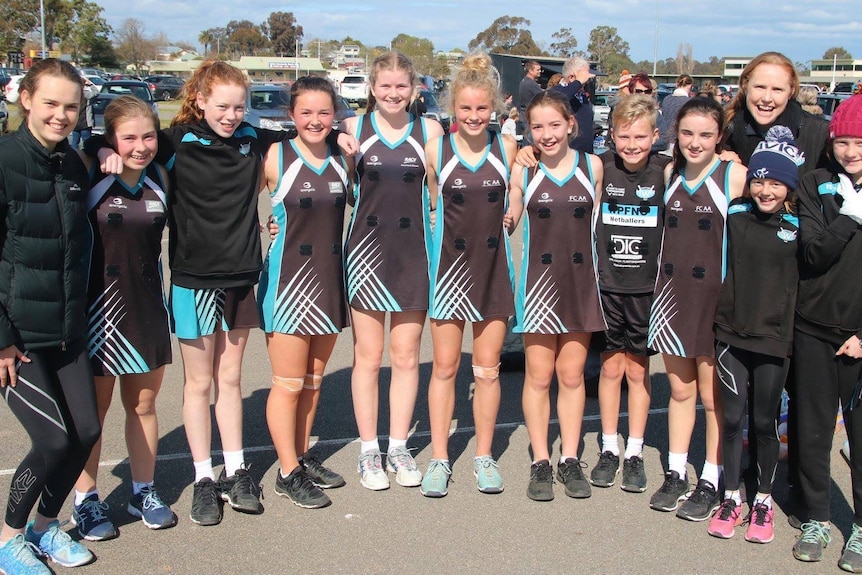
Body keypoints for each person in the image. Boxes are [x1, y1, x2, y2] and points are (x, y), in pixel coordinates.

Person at [86, 60, 356, 527]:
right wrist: (100, 147)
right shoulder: (174, 142)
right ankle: (204, 477)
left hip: (241, 277)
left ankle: (236, 470)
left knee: (230, 380)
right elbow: (120, 139)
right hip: (194, 277)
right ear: (200, 101)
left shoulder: (254, 140)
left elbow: (306, 135)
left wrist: (341, 133)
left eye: (239, 106)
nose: (231, 115)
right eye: (222, 106)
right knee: (200, 384)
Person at [0, 58, 100, 574]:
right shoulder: (4, 159)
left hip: (67, 329)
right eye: (51, 104)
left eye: (70, 106)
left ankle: (44, 528)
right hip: (16, 338)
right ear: (25, 101)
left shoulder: (74, 164)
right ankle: (8, 538)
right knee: (52, 439)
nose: (61, 115)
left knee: (84, 433)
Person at [70, 96, 177, 541]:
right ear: (112, 139)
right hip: (97, 312)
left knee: (144, 405)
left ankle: (143, 490)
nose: (140, 145)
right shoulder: (90, 171)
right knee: (92, 413)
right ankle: (86, 499)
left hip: (147, 307)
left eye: (148, 135)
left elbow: (197, 133)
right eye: (128, 137)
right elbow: (84, 141)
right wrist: (97, 147)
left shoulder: (161, 175)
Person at [341, 52, 443, 491]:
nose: (393, 94)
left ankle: (398, 446)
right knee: (368, 357)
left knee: (405, 356)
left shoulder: (431, 131)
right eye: (385, 86)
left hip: (412, 255)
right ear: (371, 87)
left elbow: (441, 193)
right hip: (365, 253)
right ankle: (369, 451)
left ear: (415, 89)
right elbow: (336, 188)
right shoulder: (352, 129)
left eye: (402, 86)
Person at [421, 52, 518, 498]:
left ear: (494, 107)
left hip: (494, 268)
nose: (474, 116)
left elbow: (518, 191)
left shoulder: (508, 147)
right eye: (465, 108)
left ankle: (483, 456)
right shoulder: (436, 148)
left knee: (487, 371)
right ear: (453, 108)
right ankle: (439, 457)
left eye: (482, 108)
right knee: (444, 367)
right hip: (448, 271)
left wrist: (515, 204)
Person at [647, 97, 746, 521]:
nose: (695, 142)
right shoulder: (669, 172)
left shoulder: (733, 174)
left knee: (712, 397)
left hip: (713, 301)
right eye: (687, 133)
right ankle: (675, 472)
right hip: (672, 296)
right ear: (675, 134)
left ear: (720, 136)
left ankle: (711, 477)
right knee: (681, 391)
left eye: (706, 134)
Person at [258, 76, 353, 509]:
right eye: (305, 112)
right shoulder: (276, 156)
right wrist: (264, 227)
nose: (315, 120)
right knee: (289, 384)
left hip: (331, 280)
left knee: (313, 383)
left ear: (335, 115)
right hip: (289, 282)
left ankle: (300, 456)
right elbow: (231, 206)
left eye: (324, 112)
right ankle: (286, 472)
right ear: (290, 115)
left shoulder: (344, 156)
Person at [707, 126, 803, 544]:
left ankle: (763, 501)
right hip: (730, 332)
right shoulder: (735, 213)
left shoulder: (800, 226)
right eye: (760, 180)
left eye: (776, 182)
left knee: (764, 422)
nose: (766, 190)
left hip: (773, 338)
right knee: (731, 419)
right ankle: (732, 496)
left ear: (790, 186)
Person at [507, 90, 604, 502]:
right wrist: (503, 216)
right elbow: (509, 215)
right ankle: (540, 460)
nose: (547, 134)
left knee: (571, 376)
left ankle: (569, 458)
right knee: (539, 376)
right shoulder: (523, 170)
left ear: (571, 125)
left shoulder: (593, 166)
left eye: (554, 124)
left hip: (580, 284)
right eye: (538, 126)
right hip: (539, 284)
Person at [789, 95, 862, 570]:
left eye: (859, 142)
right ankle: (816, 516)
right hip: (813, 327)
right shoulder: (816, 184)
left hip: (859, 335)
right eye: (843, 141)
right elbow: (813, 254)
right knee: (813, 429)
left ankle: (859, 528)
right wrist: (849, 217)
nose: (851, 151)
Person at [590, 95, 670, 493]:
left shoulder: (666, 171)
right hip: (607, 286)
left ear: (656, 136)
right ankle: (609, 446)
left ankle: (634, 451)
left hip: (646, 290)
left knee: (638, 371)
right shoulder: (600, 166)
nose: (632, 144)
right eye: (624, 136)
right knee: (609, 369)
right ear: (612, 136)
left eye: (641, 136)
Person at [724, 51, 829, 175]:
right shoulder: (724, 131)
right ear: (745, 85)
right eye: (760, 87)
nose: (767, 98)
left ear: (791, 91)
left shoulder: (819, 134)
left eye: (777, 89)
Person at [550, 56, 596, 153]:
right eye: (584, 76)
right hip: (566, 157)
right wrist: (577, 82)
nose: (587, 80)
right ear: (571, 77)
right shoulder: (555, 93)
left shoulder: (582, 96)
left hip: (585, 156)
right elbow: (560, 100)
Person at [658, 74, 693, 150]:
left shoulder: (666, 99)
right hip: (679, 141)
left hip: (665, 139)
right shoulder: (689, 102)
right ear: (690, 86)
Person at [69, 77, 97, 149]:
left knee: (75, 142)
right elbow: (96, 92)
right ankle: (87, 157)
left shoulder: (73, 95)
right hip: (85, 123)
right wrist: (90, 84)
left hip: (75, 123)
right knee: (87, 142)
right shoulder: (86, 95)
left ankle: (73, 157)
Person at [518, 60, 543, 132]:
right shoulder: (531, 84)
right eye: (537, 70)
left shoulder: (524, 81)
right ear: (530, 71)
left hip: (523, 116)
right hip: (529, 119)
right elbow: (544, 97)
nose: (540, 71)